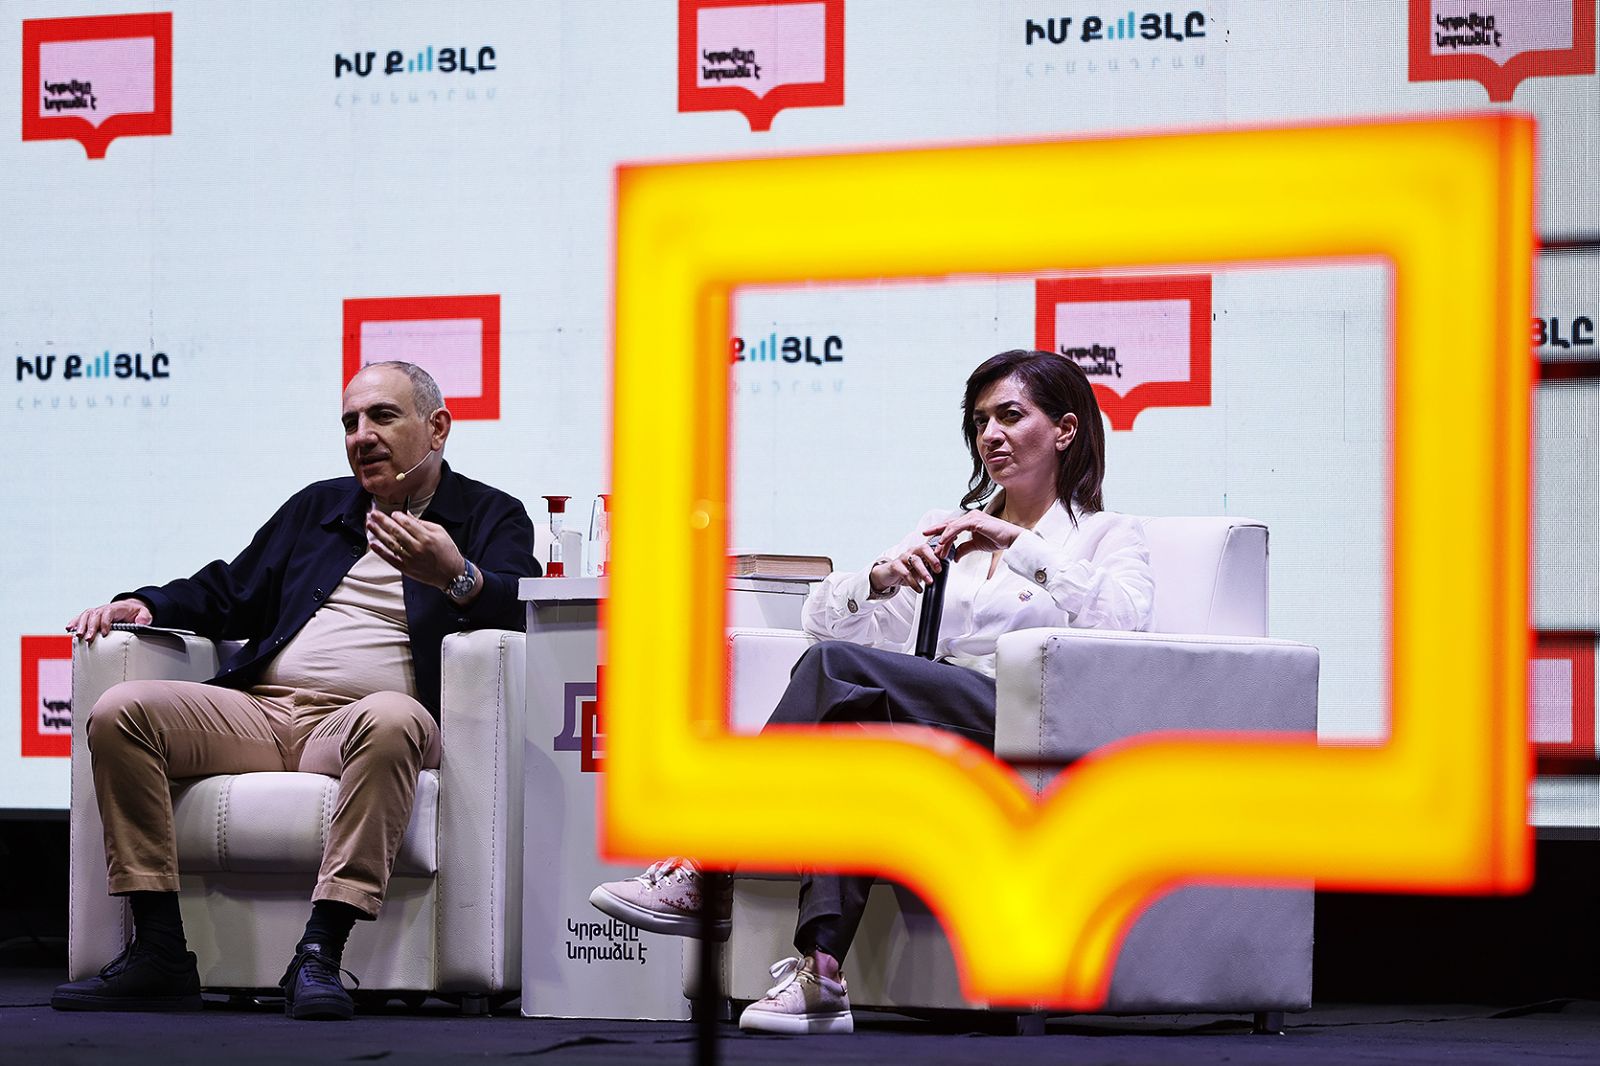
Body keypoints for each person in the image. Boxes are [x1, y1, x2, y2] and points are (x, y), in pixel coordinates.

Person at [590, 349, 1154, 1034]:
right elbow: (821, 623)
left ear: (1064, 429)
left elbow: (1127, 623)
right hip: (934, 722)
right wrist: (879, 580)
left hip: (1021, 726)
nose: (991, 436)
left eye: (1011, 416)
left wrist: (1017, 542)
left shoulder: (1104, 535)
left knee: (834, 670)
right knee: (848, 741)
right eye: (980, 421)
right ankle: (821, 973)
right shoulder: (947, 530)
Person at [52, 361, 537, 1020]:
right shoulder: (319, 507)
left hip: (361, 725)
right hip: (265, 712)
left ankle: (320, 951)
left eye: (382, 416)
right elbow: (232, 591)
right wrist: (148, 604)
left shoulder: (489, 513)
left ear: (437, 428)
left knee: (392, 719)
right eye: (350, 423)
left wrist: (456, 576)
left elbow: (516, 610)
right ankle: (160, 950)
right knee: (121, 712)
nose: (362, 435)